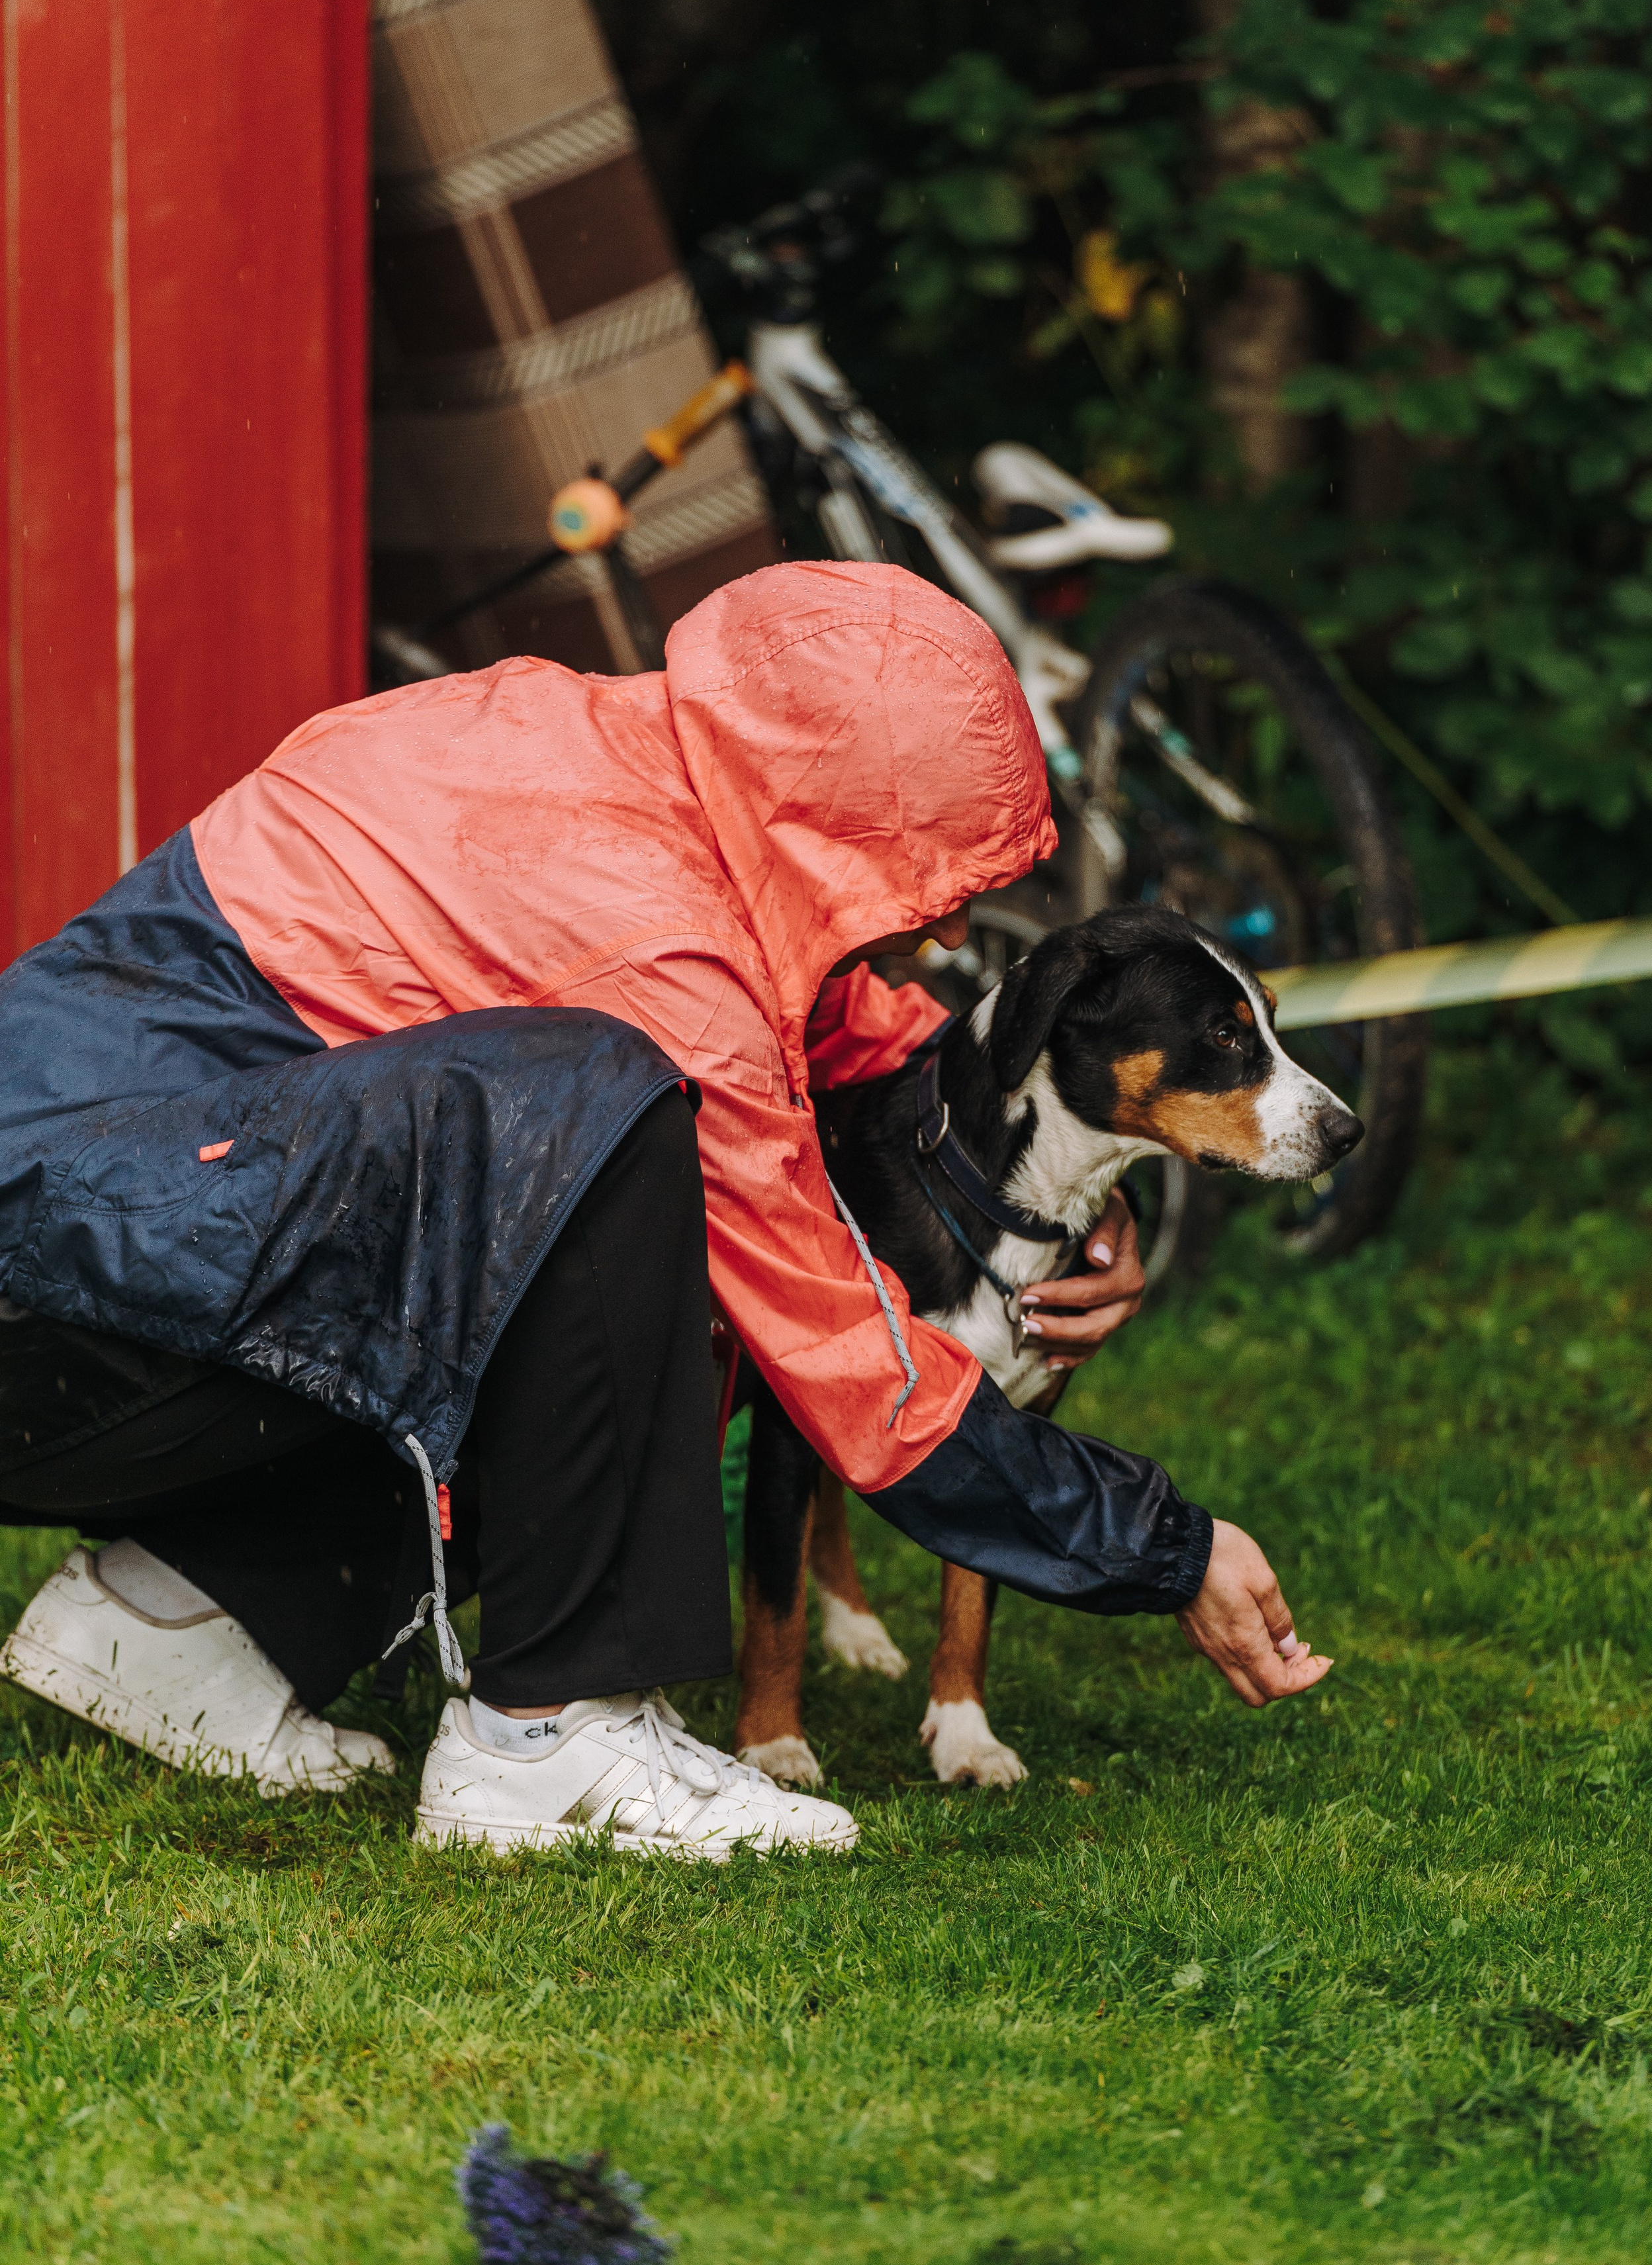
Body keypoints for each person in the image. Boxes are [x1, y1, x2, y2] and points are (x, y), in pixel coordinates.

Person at [0, 561, 1328, 1858]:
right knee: (613, 1129)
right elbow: (845, 1362)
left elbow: (826, 1012)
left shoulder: (580, 749)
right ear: (832, 828)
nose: (929, 939)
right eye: (924, 892)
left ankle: (189, 1621)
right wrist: (1162, 1542)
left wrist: (1060, 1197)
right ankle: (552, 1727)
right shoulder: (652, 946)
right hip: (52, 1313)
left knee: (535, 1152)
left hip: (84, 1238)